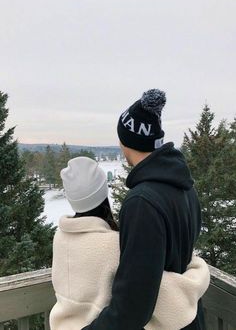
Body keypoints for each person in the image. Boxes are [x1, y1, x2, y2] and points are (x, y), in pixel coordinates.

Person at [81, 89, 207, 330]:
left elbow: (132, 306)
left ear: (125, 141)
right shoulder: (184, 187)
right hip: (189, 318)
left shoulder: (142, 203)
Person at [50, 156, 210, 330]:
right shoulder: (113, 246)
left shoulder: (60, 238)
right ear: (103, 194)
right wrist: (197, 268)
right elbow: (168, 295)